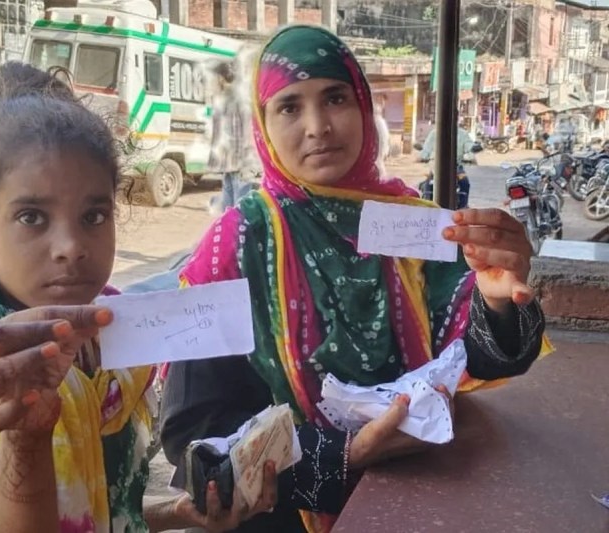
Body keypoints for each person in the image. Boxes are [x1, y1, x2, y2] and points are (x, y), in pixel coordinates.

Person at [160, 26, 548, 533]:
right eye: (289, 107)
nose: (318, 126)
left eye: (335, 98)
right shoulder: (235, 246)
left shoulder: (411, 226)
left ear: (364, 107)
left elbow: (471, 357)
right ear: (263, 125)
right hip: (279, 520)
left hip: (417, 499)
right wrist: (346, 453)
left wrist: (496, 301)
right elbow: (195, 436)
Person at [0, 63, 276, 533]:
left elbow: (99, 509)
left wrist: (177, 513)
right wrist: (25, 439)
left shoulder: (117, 348)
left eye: (93, 216)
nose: (71, 246)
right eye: (31, 217)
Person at [207, 60, 260, 211]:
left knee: (240, 209)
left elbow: (246, 131)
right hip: (228, 163)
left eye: (214, 78)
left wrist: (249, 163)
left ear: (221, 78)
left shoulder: (239, 99)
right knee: (228, 209)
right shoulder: (220, 99)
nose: (212, 82)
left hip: (241, 162)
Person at [419, 120, 475, 208]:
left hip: (456, 167)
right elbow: (425, 151)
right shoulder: (434, 133)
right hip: (435, 168)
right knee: (427, 185)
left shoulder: (463, 134)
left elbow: (470, 149)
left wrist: (469, 157)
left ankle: (463, 208)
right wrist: (422, 157)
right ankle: (426, 206)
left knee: (464, 183)